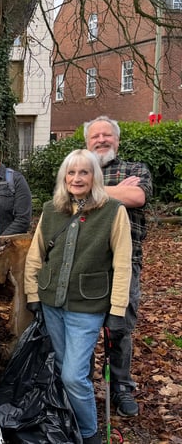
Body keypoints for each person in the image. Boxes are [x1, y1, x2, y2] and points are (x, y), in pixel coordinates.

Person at [24, 149, 132, 444]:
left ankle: (89, 433)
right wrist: (33, 293)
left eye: (84, 172)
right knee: (61, 368)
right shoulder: (52, 209)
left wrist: (118, 309)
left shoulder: (113, 210)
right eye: (71, 173)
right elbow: (36, 256)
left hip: (88, 306)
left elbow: (122, 264)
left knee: (73, 375)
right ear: (64, 177)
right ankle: (67, 422)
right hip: (51, 303)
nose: (77, 178)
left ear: (94, 176)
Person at [85, 115, 152, 417]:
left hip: (126, 263)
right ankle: (82, 385)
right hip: (85, 264)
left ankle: (120, 387)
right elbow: (69, 200)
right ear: (87, 143)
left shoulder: (135, 170)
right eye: (95, 136)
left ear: (117, 140)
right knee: (83, 327)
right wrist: (114, 194)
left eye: (106, 135)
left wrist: (91, 193)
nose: (101, 140)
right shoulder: (80, 170)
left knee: (120, 328)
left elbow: (137, 196)